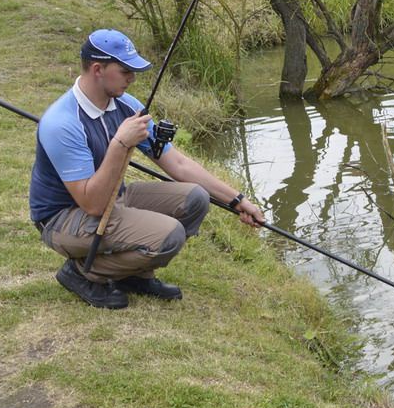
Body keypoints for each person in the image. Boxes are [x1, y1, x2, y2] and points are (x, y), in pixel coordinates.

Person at [29, 28, 265, 309]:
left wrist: (237, 200)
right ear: (97, 69)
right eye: (125, 70)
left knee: (196, 199)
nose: (133, 77)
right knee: (170, 235)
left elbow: (176, 163)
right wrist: (119, 144)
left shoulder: (127, 107)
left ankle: (133, 274)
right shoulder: (62, 123)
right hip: (63, 218)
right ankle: (82, 272)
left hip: (113, 199)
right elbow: (92, 203)